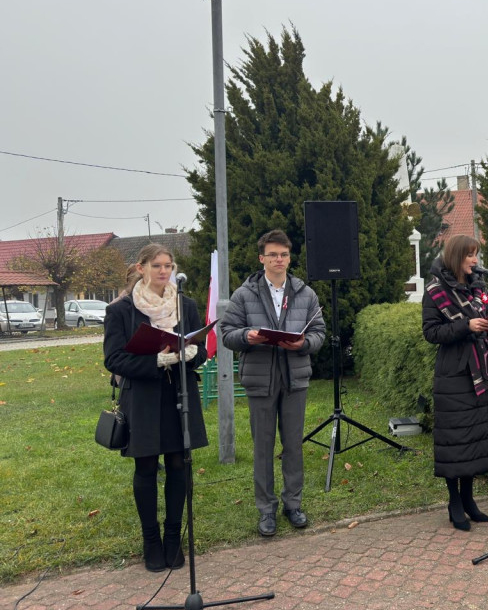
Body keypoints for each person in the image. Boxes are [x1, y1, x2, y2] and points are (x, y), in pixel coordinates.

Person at [103, 243, 208, 573]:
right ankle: (151, 540)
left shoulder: (185, 304)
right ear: (141, 269)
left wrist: (193, 355)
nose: (164, 271)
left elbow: (201, 347)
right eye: (157, 266)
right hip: (144, 396)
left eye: (169, 265)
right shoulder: (121, 310)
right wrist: (156, 360)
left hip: (180, 394)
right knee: (146, 466)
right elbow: (114, 358)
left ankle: (174, 537)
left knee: (179, 463)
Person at [221, 230, 326, 537]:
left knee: (293, 446)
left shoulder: (305, 293)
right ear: (262, 258)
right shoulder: (244, 294)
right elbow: (227, 334)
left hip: (295, 379)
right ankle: (266, 510)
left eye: (284, 255)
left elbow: (319, 332)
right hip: (260, 379)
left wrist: (304, 343)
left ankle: (293, 504)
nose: (279, 260)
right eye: (273, 255)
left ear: (289, 258)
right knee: (263, 448)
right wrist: (246, 337)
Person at [421, 235, 488, 531]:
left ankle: (469, 500)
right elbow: (431, 333)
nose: (475, 260)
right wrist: (466, 326)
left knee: (474, 439)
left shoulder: (479, 287)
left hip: (481, 372)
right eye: (470, 255)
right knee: (456, 440)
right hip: (454, 374)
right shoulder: (436, 290)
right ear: (456, 257)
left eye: (476, 255)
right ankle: (454, 503)